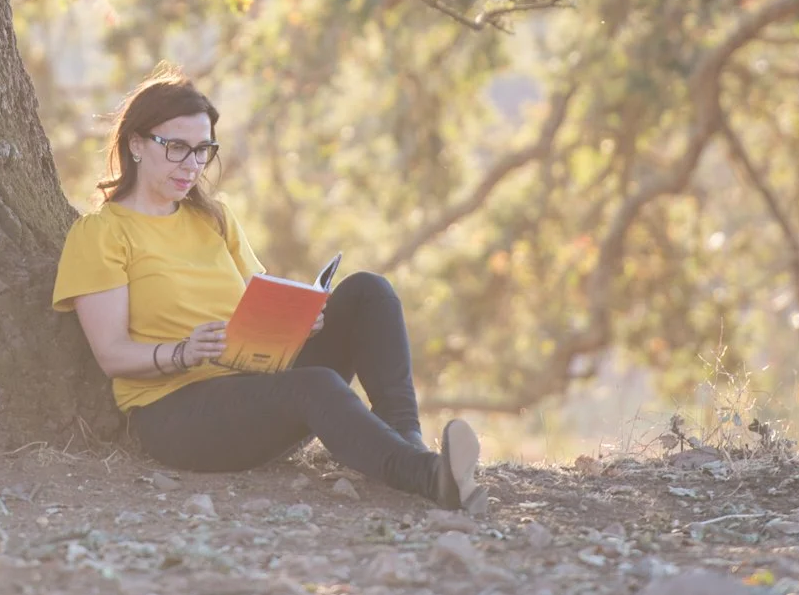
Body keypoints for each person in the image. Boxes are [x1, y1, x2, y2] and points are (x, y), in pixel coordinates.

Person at [52, 68, 480, 510]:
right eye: (177, 148)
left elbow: (259, 299)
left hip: (255, 386)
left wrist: (301, 319)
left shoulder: (213, 218)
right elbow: (112, 354)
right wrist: (184, 351)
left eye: (203, 151)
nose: (192, 166)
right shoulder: (101, 233)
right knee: (316, 385)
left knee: (370, 291)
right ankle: (426, 476)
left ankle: (405, 441)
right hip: (177, 414)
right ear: (137, 144)